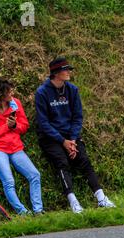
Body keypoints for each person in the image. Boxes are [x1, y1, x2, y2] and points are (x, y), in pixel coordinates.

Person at [35, 57, 115, 213]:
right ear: (56, 73)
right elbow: (43, 123)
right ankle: (74, 202)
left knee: (83, 159)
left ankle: (101, 198)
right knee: (62, 162)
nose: (69, 72)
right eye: (66, 69)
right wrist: (62, 141)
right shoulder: (42, 93)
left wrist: (72, 139)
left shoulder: (72, 90)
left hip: (70, 136)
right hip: (51, 137)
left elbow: (77, 117)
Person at [0, 78, 44, 215]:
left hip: (15, 147)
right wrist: (6, 127)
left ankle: (38, 211)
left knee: (35, 175)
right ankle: (22, 212)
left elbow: (24, 126)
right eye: (9, 92)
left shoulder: (15, 104)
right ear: (0, 94)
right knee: (9, 181)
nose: (12, 94)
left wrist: (15, 126)